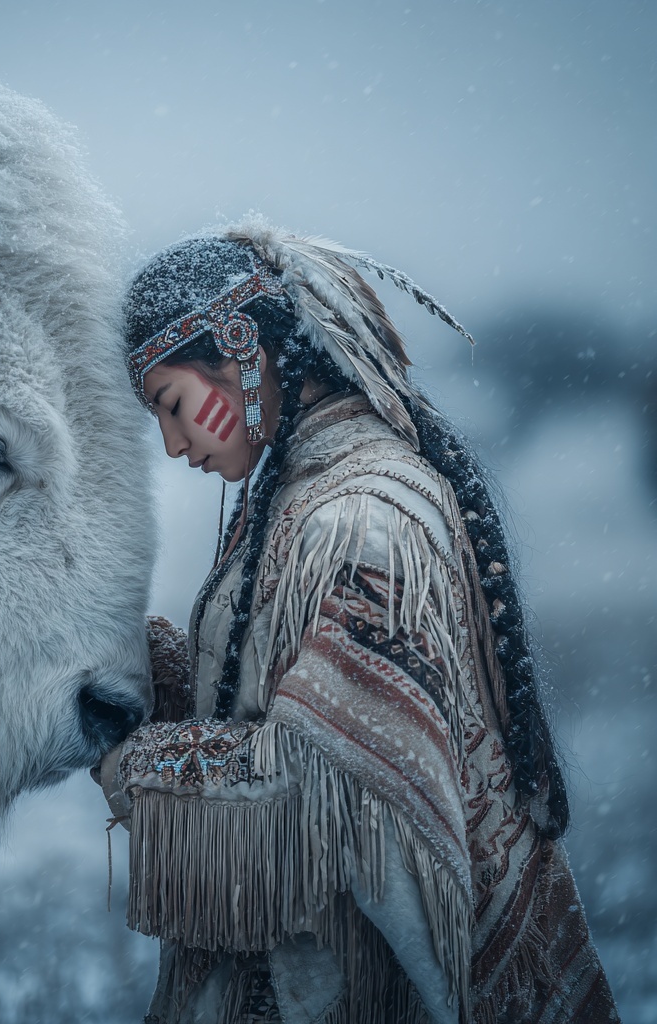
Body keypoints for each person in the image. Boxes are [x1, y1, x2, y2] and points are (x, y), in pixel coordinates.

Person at [99, 221, 618, 1023]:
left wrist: (145, 766)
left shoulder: (363, 517)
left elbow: (330, 791)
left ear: (242, 345)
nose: (172, 445)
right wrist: (141, 670)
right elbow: (278, 701)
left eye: (172, 404)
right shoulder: (302, 491)